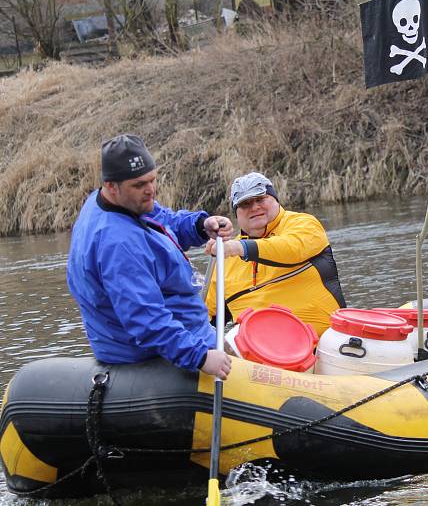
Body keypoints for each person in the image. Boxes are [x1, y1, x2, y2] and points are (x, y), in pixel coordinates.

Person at [67, 134, 234, 379]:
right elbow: (146, 320)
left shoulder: (119, 202)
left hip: (184, 329)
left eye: (152, 180)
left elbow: (162, 220)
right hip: (148, 350)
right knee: (249, 374)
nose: (150, 190)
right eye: (139, 185)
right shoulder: (118, 244)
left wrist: (199, 225)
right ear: (111, 185)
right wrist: (200, 356)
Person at [204, 172, 346, 336]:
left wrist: (239, 248)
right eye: (245, 204)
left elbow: (292, 249)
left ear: (275, 200)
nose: (254, 207)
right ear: (236, 213)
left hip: (323, 344)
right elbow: (203, 316)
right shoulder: (225, 257)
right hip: (258, 353)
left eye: (260, 199)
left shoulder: (304, 223)